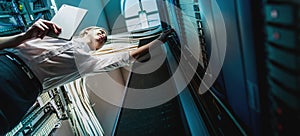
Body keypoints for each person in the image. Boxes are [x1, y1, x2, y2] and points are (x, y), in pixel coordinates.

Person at [0, 19, 174, 134]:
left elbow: (127, 57)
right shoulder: (52, 33)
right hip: (7, 65)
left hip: (25, 92)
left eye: (105, 37)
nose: (103, 35)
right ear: (86, 31)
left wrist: (159, 40)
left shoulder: (91, 62)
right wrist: (23, 37)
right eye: (100, 31)